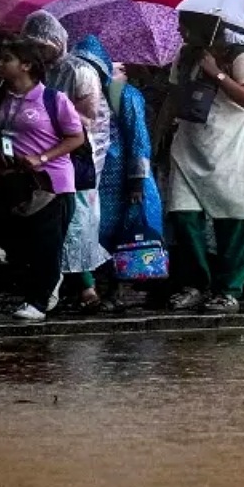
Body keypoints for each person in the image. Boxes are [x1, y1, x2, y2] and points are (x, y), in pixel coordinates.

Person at [162, 15, 244, 314]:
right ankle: (196, 284)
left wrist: (216, 73)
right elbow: (173, 95)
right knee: (184, 215)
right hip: (191, 140)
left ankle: (228, 290)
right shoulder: (185, 55)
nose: (180, 31)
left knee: (235, 215)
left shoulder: (242, 57)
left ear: (204, 27)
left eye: (185, 26)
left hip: (233, 142)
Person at [0, 39, 86, 322]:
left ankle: (39, 301)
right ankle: (43, 288)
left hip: (52, 183)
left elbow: (76, 137)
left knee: (46, 244)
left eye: (7, 59)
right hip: (17, 184)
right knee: (21, 245)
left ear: (26, 65)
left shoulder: (53, 100)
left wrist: (42, 157)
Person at [24, 11, 111, 312]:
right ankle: (69, 285)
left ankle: (82, 286)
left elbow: (87, 118)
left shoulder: (79, 71)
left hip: (79, 154)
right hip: (48, 154)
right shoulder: (39, 73)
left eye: (42, 45)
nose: (38, 52)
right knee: (57, 219)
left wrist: (52, 123)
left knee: (78, 219)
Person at [76, 36, 164, 305]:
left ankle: (117, 289)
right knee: (95, 231)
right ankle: (100, 287)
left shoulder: (125, 94)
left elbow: (139, 139)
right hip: (96, 176)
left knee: (120, 233)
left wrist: (137, 180)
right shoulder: (84, 94)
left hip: (123, 179)